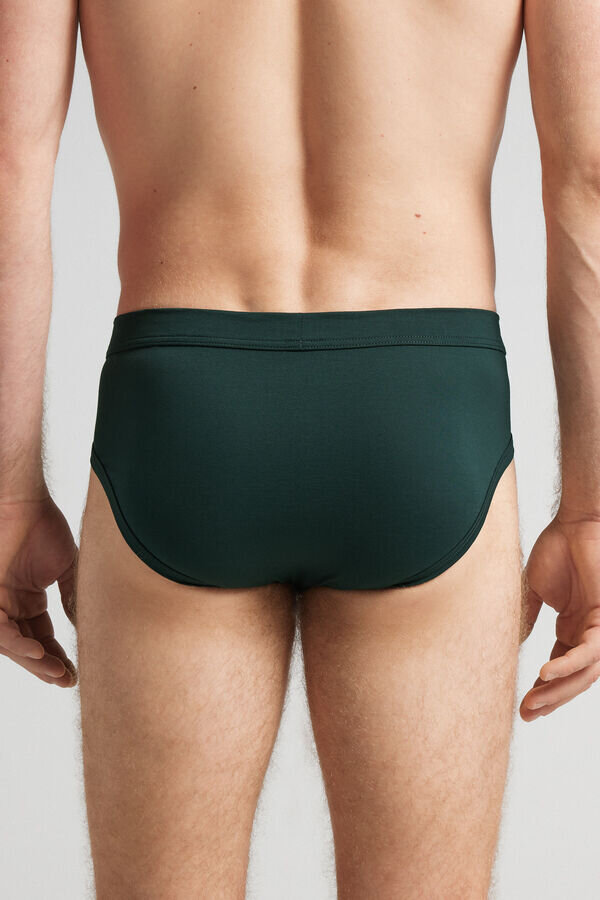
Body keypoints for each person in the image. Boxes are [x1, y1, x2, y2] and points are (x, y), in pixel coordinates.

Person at [1, 0, 599, 896]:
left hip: (185, 412)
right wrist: (591, 509)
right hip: (423, 410)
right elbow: (588, 177)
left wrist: (9, 495)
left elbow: (10, 167)